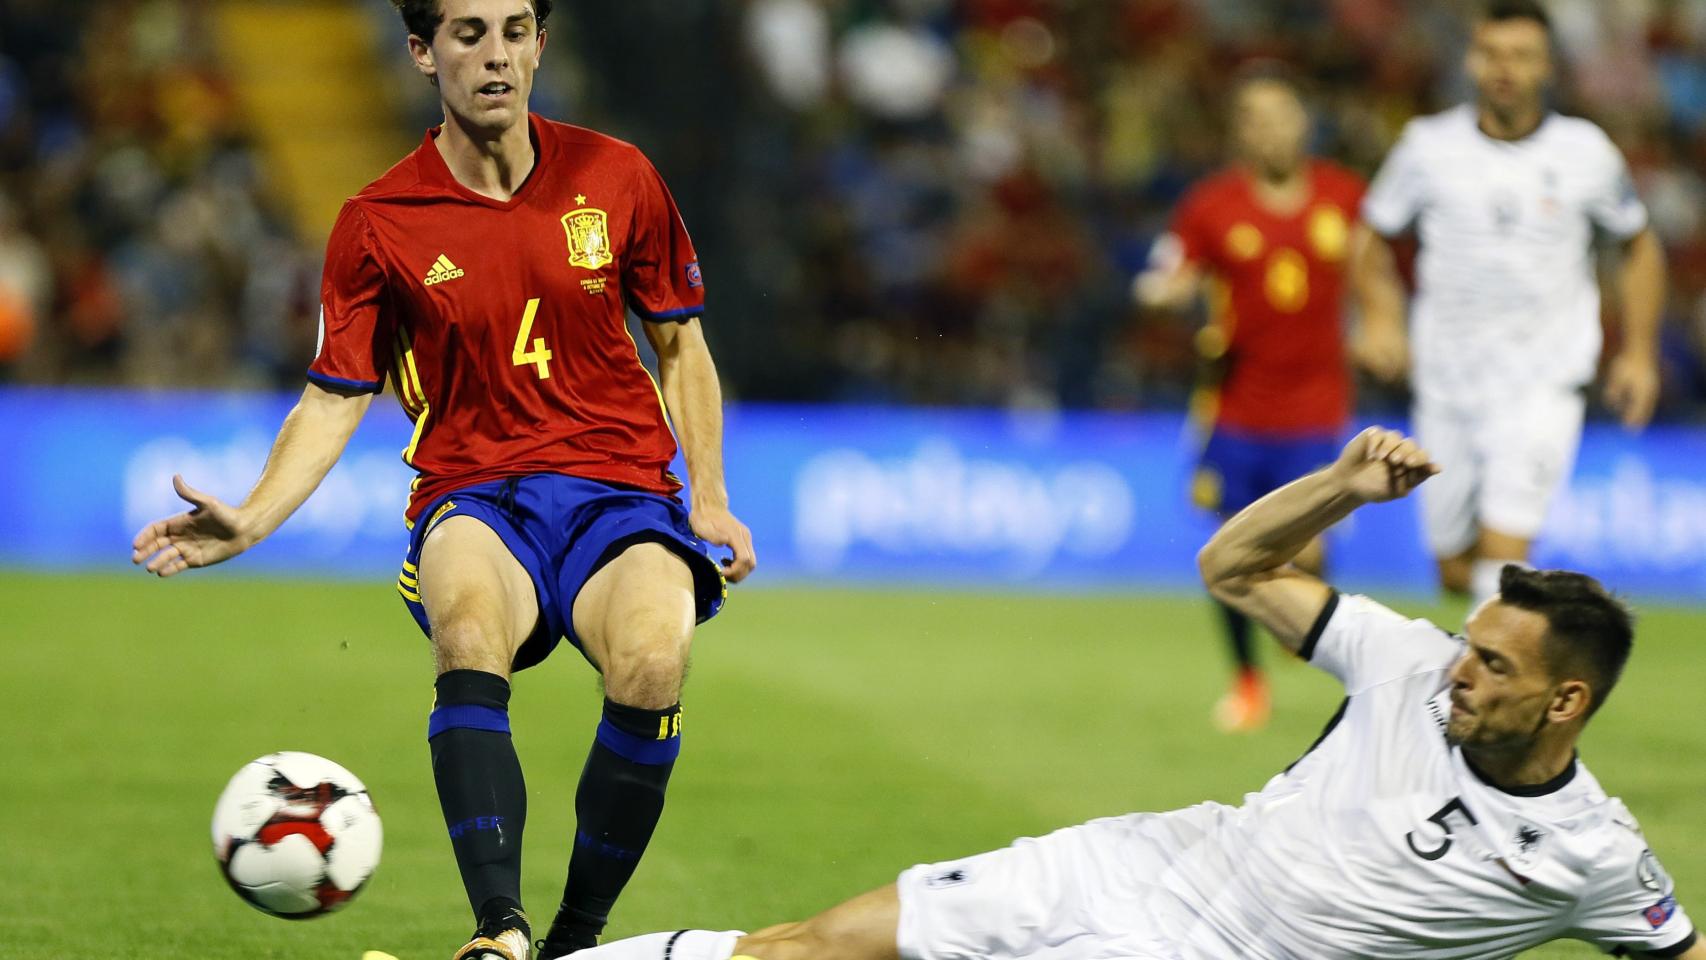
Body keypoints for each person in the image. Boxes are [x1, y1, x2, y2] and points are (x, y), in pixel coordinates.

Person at [559, 427, 1699, 960]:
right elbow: (1232, 570)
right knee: (810, 948)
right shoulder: (1402, 658)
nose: (1460, 667)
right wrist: (1339, 492)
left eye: (1494, 666)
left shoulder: (1592, 855)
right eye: (1471, 645)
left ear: (1565, 705)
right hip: (1147, 858)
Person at [129, 2, 756, 957]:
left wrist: (707, 496)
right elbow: (335, 396)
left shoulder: (619, 177)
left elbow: (682, 345)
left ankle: (573, 941)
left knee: (653, 664)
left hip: (623, 494)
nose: (495, 54)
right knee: (466, 631)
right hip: (477, 494)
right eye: (468, 33)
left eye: (514, 29)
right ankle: (498, 932)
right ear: (423, 52)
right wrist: (252, 518)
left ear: (542, 43)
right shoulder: (379, 222)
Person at [1354, 0, 1666, 607]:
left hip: (1542, 381)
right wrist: (1381, 317)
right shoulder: (1427, 146)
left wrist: (1639, 354)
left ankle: (1474, 700)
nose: (1505, 69)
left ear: (1547, 67)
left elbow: (1640, 246)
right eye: (1493, 54)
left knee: (1501, 554)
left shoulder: (1586, 152)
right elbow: (1369, 237)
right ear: (1471, 60)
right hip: (1447, 379)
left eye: (1522, 56)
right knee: (1452, 568)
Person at [1135, 66, 1365, 732]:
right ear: (1241, 133)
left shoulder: (1345, 197)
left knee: (1312, 553)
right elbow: (1164, 274)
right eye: (1257, 119)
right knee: (1232, 550)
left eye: (1283, 116)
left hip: (1317, 407)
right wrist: (1163, 293)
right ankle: (1246, 684)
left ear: (1304, 123)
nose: (1272, 131)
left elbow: (1379, 271)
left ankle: (1309, 641)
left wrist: (1383, 322)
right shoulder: (1210, 206)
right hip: (1235, 409)